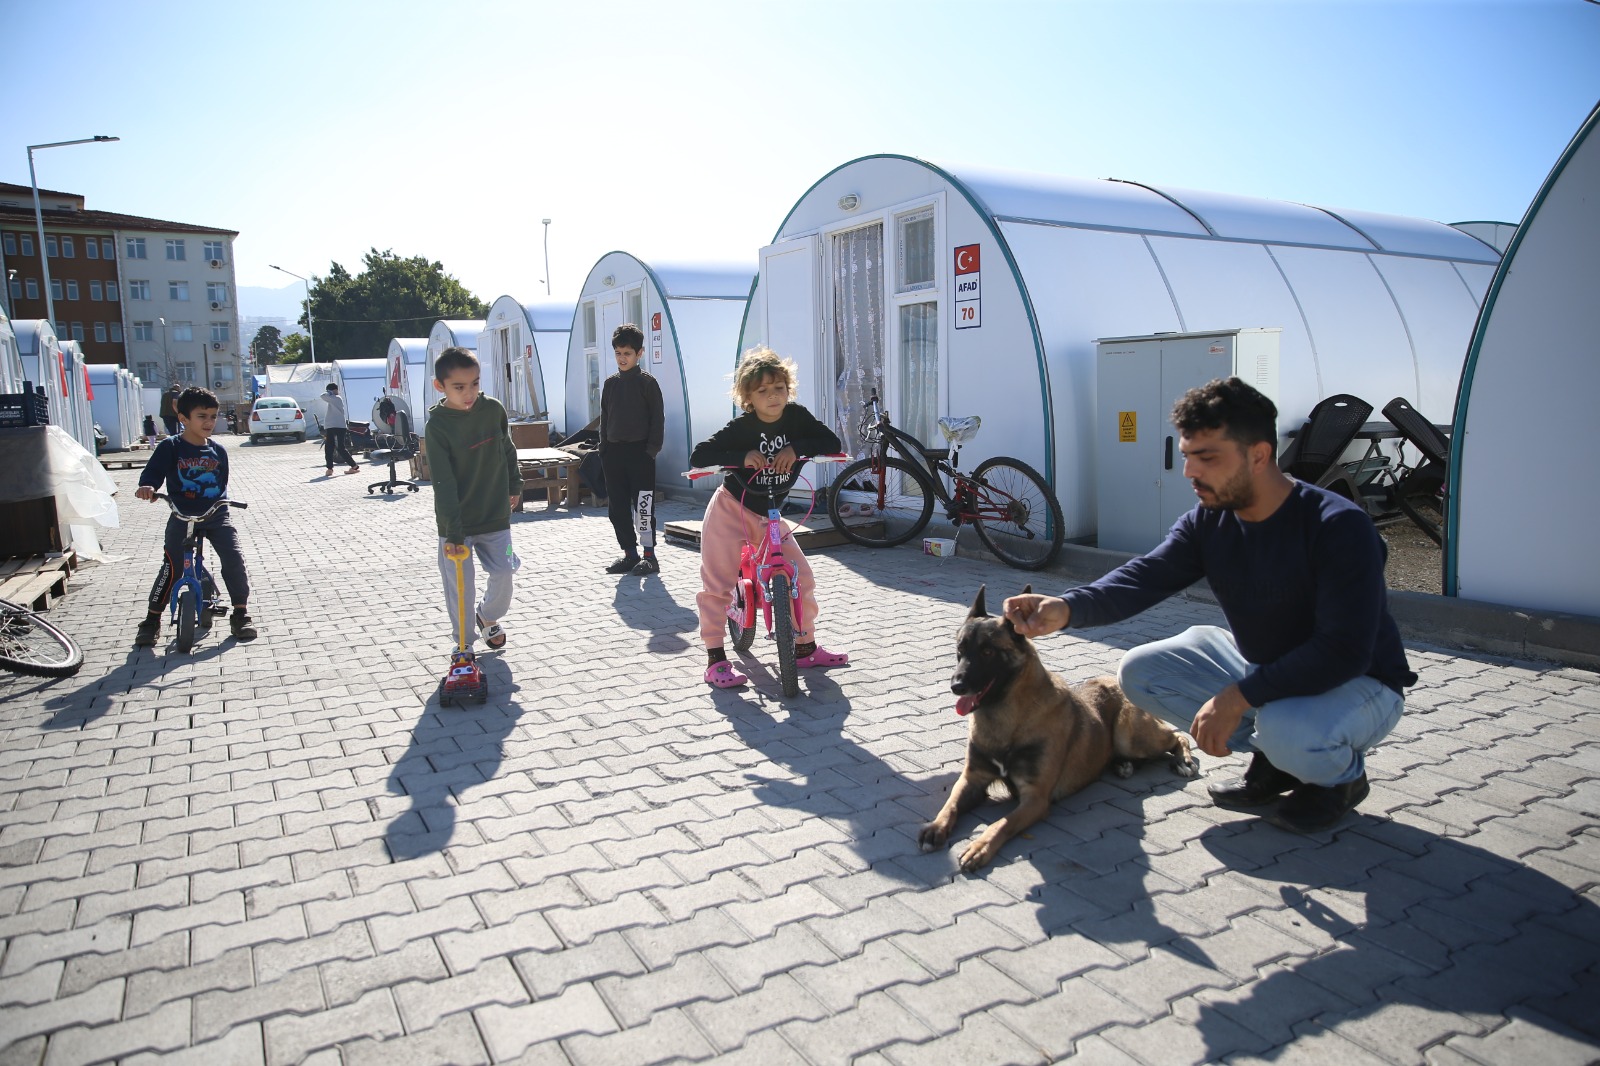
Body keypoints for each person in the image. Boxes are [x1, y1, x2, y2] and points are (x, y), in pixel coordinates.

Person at [1003, 377, 1414, 833]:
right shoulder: (1210, 520)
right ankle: (1276, 761)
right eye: (1187, 456)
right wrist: (1065, 608)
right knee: (1140, 672)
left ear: (1259, 455)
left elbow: (1342, 650)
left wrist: (1235, 698)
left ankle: (1339, 780)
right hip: (1268, 665)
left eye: (1207, 457)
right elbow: (1145, 577)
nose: (1189, 473)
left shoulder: (1338, 528)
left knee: (1288, 729)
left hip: (1361, 682)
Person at [690, 346, 849, 688]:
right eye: (762, 391)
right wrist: (741, 455)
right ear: (747, 396)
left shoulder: (795, 417)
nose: (773, 396)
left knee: (801, 577)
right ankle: (715, 658)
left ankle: (804, 647)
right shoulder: (741, 426)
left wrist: (798, 449)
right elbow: (700, 455)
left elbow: (830, 441)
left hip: (771, 516)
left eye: (779, 388)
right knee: (717, 585)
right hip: (731, 510)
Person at [133, 386, 258, 646]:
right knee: (172, 566)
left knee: (233, 559)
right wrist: (149, 487)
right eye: (202, 416)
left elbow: (221, 482)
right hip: (181, 515)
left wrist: (218, 503)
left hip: (215, 515)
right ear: (183, 419)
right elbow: (153, 473)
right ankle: (151, 621)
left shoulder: (218, 450)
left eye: (213, 416)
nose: (209, 422)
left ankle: (240, 614)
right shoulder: (171, 447)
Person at [426, 346, 522, 657]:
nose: (469, 393)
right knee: (460, 588)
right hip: (456, 525)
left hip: (495, 515)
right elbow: (443, 483)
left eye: (475, 384)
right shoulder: (438, 425)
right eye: (459, 387)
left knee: (505, 571)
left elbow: (507, 450)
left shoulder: (493, 410)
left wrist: (515, 484)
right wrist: (453, 533)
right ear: (439, 386)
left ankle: (487, 615)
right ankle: (464, 644)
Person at [598, 324, 664, 576]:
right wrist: (604, 449)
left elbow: (658, 419)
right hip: (613, 454)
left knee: (644, 506)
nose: (622, 358)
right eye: (618, 353)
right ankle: (629, 554)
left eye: (627, 353)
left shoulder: (647, 383)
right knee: (617, 508)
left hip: (641, 454)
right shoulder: (610, 384)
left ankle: (649, 556)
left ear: (640, 353)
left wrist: (651, 451)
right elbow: (604, 417)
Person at [320, 382, 360, 476]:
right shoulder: (333, 399)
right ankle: (352, 466)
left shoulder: (336, 398)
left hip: (335, 426)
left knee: (335, 447)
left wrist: (329, 393)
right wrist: (330, 393)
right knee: (333, 448)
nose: (337, 391)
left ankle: (330, 469)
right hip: (337, 426)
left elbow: (322, 396)